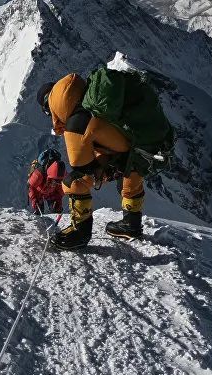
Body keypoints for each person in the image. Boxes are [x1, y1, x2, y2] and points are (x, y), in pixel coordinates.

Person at [36, 66, 173, 250]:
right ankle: (131, 224)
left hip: (126, 143)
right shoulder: (90, 101)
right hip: (145, 140)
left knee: (73, 181)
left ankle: (80, 233)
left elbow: (80, 166)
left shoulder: (74, 120)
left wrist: (99, 170)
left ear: (48, 108)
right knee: (131, 168)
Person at [27, 148, 65, 215]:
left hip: (50, 191)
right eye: (55, 180)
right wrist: (34, 199)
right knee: (38, 210)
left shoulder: (62, 174)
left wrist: (58, 201)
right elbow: (31, 186)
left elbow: (60, 190)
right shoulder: (39, 174)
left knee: (56, 209)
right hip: (39, 192)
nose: (56, 182)